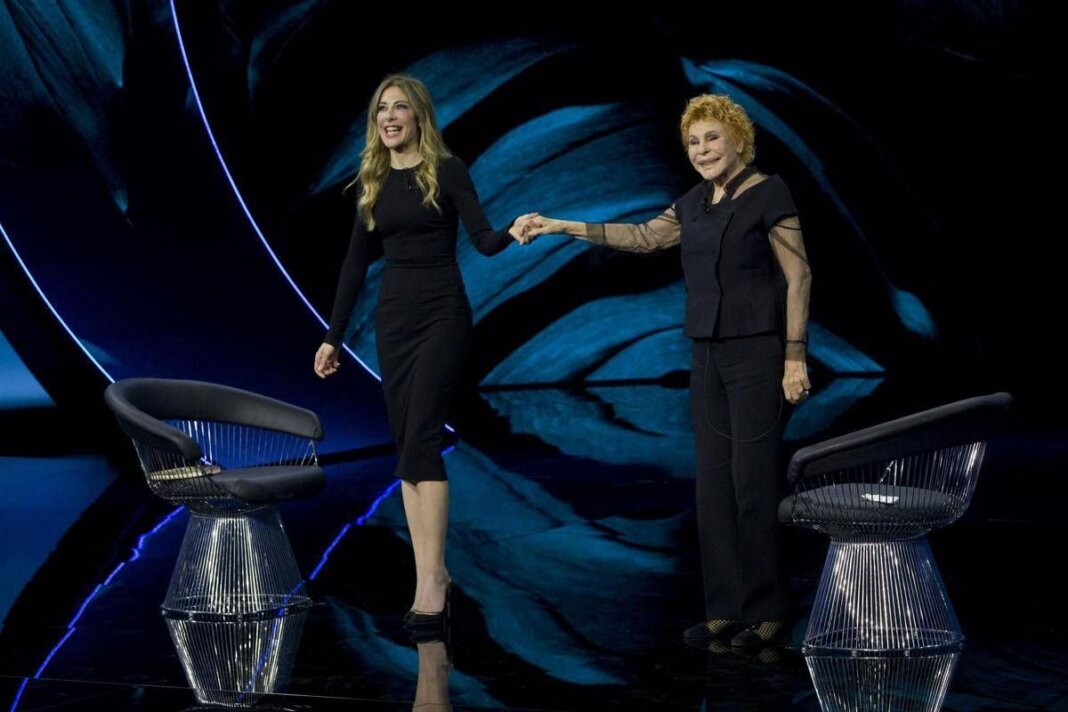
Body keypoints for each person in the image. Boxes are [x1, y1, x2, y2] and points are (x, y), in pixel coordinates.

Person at [521, 94, 812, 648]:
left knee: (753, 484)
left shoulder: (768, 192)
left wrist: (794, 355)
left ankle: (768, 611)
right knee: (712, 487)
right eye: (693, 142)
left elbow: (799, 276)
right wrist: (560, 225)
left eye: (712, 138)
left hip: (758, 352)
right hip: (706, 355)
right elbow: (644, 237)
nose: (702, 150)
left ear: (738, 140)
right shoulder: (693, 202)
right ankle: (724, 609)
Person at [314, 73, 538, 626]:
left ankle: (432, 578)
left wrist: (514, 230)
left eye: (399, 108)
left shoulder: (448, 169)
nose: (389, 117)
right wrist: (333, 336)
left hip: (443, 316)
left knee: (422, 441)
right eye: (381, 109)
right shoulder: (372, 180)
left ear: (419, 117)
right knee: (408, 451)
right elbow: (353, 264)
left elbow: (483, 240)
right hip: (394, 323)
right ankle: (428, 572)